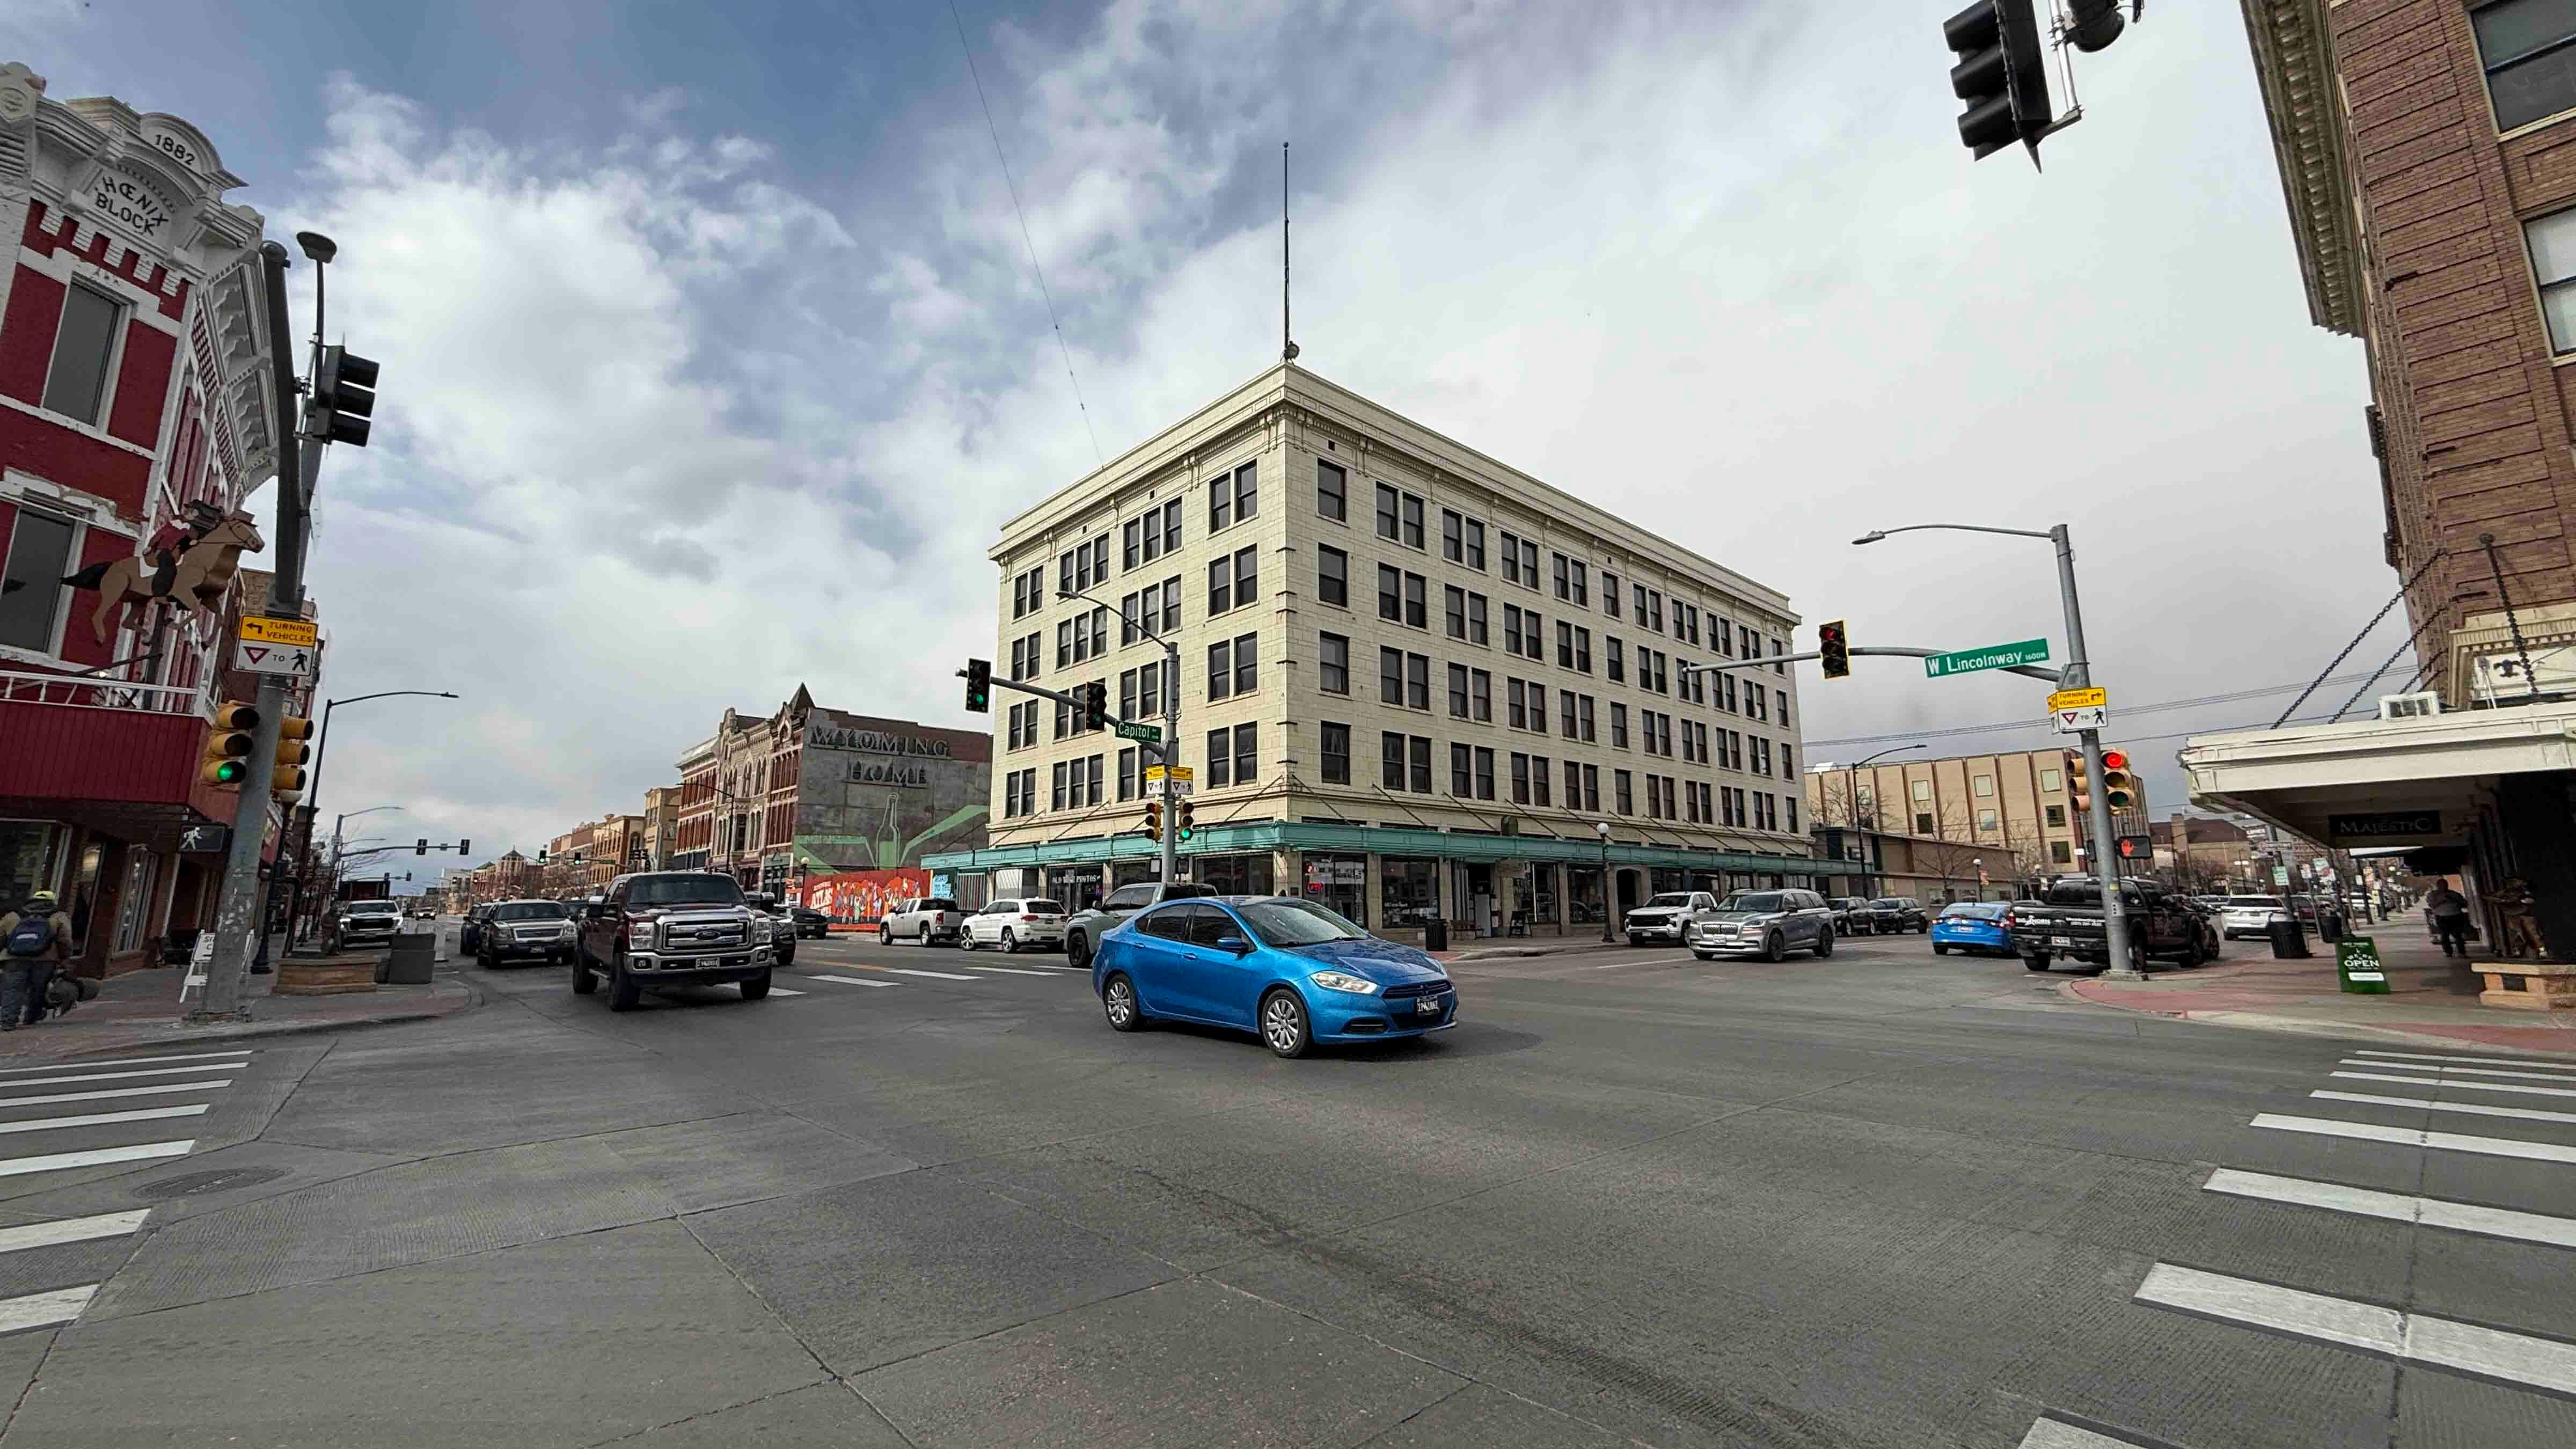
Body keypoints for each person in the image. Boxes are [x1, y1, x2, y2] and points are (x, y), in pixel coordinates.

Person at [0, 891, 73, 1030]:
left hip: (14, 958)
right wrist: (64, 958)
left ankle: (8, 1022)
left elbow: (1, 935)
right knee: (38, 989)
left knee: (12, 989)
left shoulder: (14, 916)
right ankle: (30, 1019)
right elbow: (65, 940)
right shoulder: (59, 916)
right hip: (45, 960)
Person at [2425, 879, 2472, 958]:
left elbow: (2464, 904)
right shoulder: (2433, 895)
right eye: (2441, 885)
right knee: (2444, 935)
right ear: (2438, 886)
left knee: (2457, 935)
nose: (2444, 887)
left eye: (2445, 885)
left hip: (2455, 916)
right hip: (2441, 917)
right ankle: (2448, 952)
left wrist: (2454, 900)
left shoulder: (2454, 894)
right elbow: (2432, 905)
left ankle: (2462, 952)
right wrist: (2442, 900)